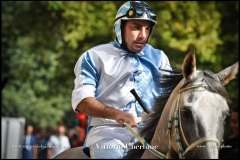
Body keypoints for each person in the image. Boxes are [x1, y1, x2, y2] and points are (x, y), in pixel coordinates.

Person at [71, 1, 172, 159]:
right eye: (136, 27)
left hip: (151, 136)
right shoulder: (93, 56)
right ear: (120, 27)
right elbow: (83, 100)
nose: (143, 35)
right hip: (108, 134)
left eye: (147, 28)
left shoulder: (160, 58)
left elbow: (172, 97)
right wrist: (115, 114)